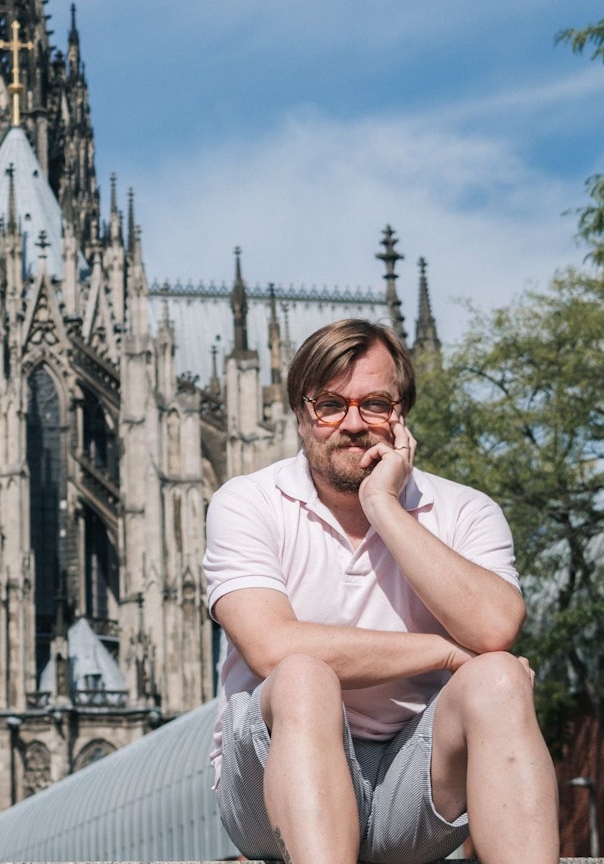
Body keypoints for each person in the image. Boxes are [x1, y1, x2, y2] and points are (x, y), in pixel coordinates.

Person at [204, 319, 558, 864]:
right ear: (301, 415)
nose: (353, 423)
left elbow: (494, 630)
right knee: (300, 676)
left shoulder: (466, 510)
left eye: (374, 404)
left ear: (401, 415)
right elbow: (272, 648)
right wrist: (441, 650)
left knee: (501, 678)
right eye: (330, 404)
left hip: (412, 782)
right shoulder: (248, 502)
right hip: (270, 783)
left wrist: (385, 506)